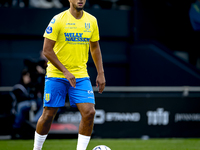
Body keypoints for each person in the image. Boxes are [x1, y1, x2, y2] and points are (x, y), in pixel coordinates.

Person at [33, 0, 106, 150]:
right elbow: (46, 50)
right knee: (48, 115)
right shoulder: (58, 19)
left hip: (80, 75)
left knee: (89, 112)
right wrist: (65, 71)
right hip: (57, 75)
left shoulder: (92, 21)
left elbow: (95, 47)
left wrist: (101, 73)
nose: (80, 0)